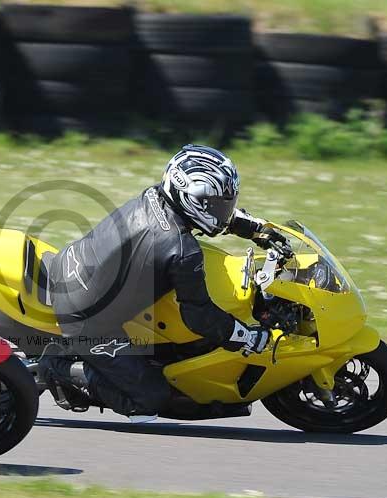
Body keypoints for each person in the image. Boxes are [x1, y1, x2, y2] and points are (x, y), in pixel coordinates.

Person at [39, 144, 287, 422]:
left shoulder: (154, 195)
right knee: (150, 397)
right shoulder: (182, 250)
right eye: (218, 204)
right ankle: (55, 366)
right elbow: (199, 317)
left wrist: (255, 228)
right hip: (85, 318)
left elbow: (207, 215)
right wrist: (247, 337)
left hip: (72, 266)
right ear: (191, 198)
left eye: (226, 203)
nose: (223, 210)